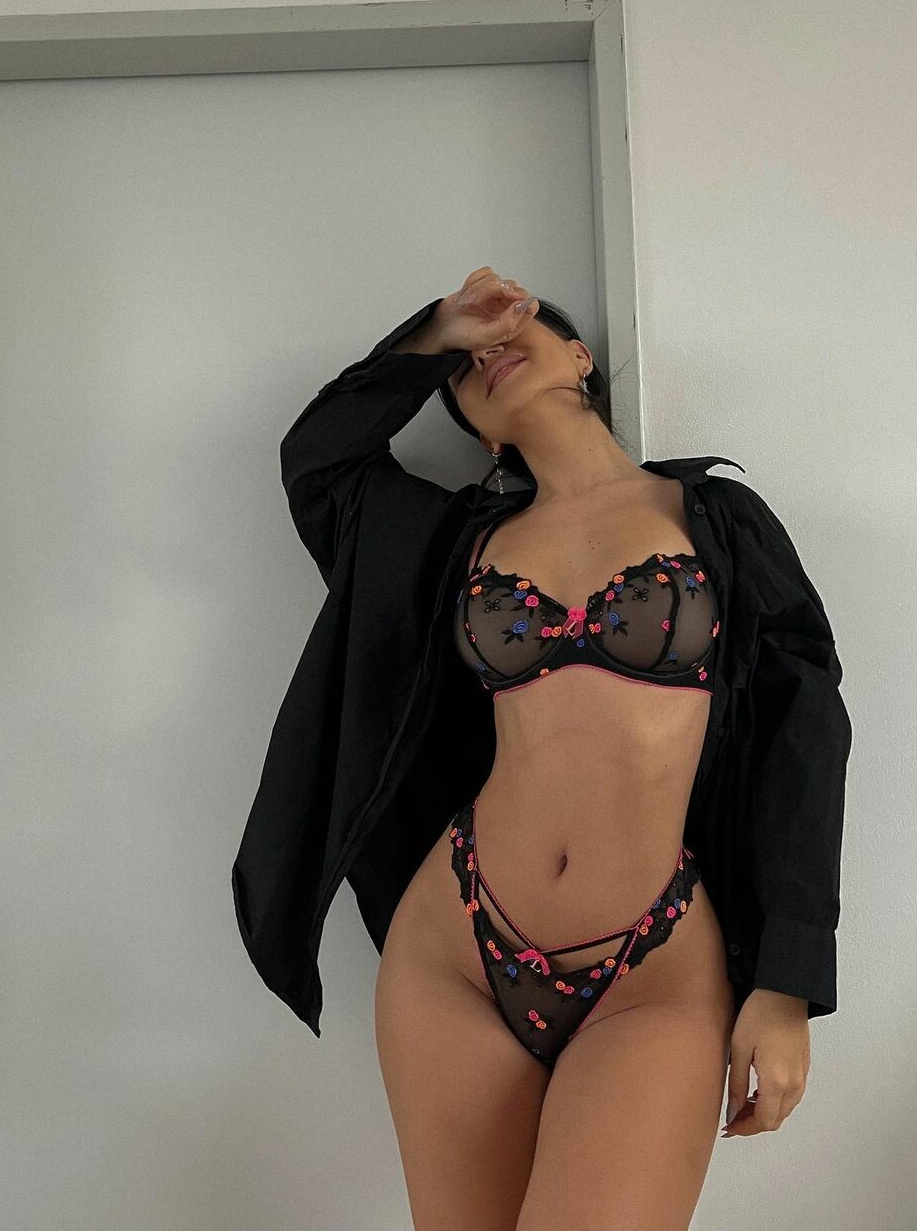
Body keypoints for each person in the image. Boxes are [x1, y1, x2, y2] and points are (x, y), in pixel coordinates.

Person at [232, 267, 852, 1229]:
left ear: (578, 355)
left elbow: (803, 731)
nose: (488, 352)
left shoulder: (714, 519)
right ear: (479, 431)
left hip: (654, 962)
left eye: (515, 332)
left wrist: (789, 978)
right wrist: (436, 332)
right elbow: (320, 460)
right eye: (466, 365)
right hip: (455, 947)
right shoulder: (448, 544)